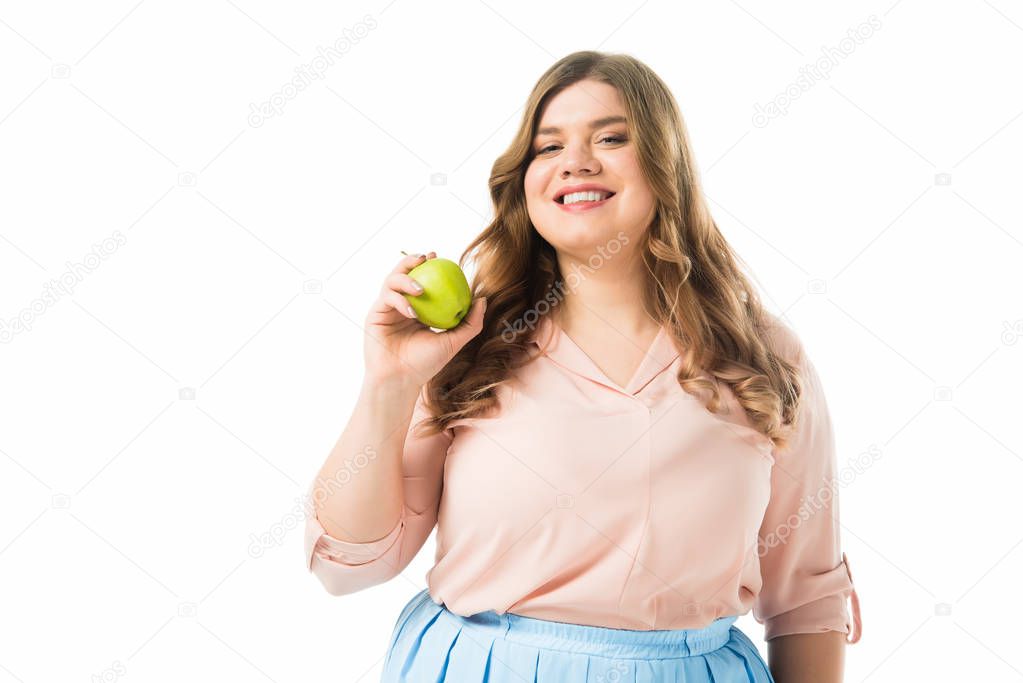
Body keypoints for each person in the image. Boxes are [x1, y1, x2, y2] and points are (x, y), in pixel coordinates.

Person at [303, 50, 862, 682]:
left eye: (612, 138)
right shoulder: (470, 349)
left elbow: (807, 602)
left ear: (665, 165)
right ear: (525, 180)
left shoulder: (763, 359)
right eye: (548, 147)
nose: (576, 161)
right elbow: (347, 566)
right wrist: (390, 382)